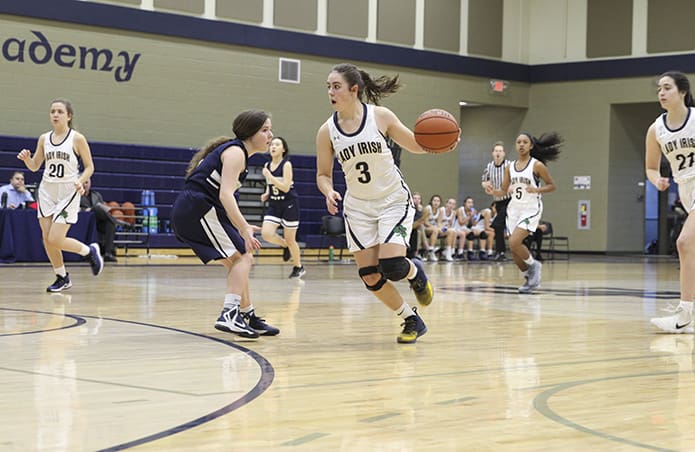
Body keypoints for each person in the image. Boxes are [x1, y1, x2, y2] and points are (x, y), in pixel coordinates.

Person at [316, 62, 458, 344]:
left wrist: (442, 143)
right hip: (358, 208)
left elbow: (416, 144)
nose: (330, 92)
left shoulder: (380, 116)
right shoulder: (326, 131)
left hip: (393, 200)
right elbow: (322, 174)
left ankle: (416, 273)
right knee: (370, 275)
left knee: (393, 266)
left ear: (353, 89)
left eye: (336, 86)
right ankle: (411, 319)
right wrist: (328, 191)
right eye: (328, 87)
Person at [170, 109, 279, 339]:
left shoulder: (238, 154)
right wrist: (244, 228)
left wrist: (243, 225)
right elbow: (225, 196)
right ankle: (229, 314)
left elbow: (224, 201)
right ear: (250, 132)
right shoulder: (235, 153)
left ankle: (246, 314)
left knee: (238, 260)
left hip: (197, 210)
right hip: (197, 209)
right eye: (265, 130)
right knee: (243, 256)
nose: (270, 135)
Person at [16, 98, 104, 292]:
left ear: (69, 116)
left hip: (68, 192)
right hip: (47, 190)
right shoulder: (44, 138)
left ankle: (89, 251)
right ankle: (62, 277)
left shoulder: (77, 138)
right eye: (52, 111)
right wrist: (27, 159)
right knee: (47, 238)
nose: (55, 115)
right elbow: (35, 166)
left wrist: (80, 181)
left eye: (59, 111)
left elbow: (90, 167)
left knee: (56, 238)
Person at [646, 71, 695, 333]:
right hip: (686, 190)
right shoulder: (656, 129)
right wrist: (657, 181)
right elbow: (651, 167)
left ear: (683, 92)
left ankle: (685, 314)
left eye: (667, 88)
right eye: (659, 90)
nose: (661, 93)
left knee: (684, 243)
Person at [485, 131, 561, 293]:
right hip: (514, 209)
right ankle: (528, 277)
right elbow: (503, 191)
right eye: (518, 142)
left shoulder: (536, 165)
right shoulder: (509, 167)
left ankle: (535, 266)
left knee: (514, 242)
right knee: (513, 250)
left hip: (531, 208)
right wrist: (493, 190)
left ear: (531, 146)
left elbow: (552, 186)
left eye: (525, 142)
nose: (521, 144)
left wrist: (536, 189)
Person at [260, 136, 305, 279]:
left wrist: (270, 176)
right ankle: (285, 245)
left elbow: (285, 187)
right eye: (272, 144)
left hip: (289, 203)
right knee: (266, 234)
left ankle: (298, 267)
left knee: (291, 239)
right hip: (274, 204)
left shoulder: (286, 165)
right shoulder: (267, 165)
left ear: (283, 149)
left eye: (277, 144)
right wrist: (267, 193)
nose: (273, 147)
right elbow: (271, 184)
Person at [80, 177, 130, 262]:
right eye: (83, 183)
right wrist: (84, 210)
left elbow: (103, 207)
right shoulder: (76, 195)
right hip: (86, 220)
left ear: (90, 183)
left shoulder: (96, 194)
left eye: (87, 182)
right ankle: (119, 222)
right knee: (96, 209)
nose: (85, 185)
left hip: (98, 220)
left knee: (109, 224)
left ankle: (108, 253)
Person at [481, 141, 512, 261]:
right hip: (497, 201)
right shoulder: (489, 166)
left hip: (509, 200)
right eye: (496, 151)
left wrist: (512, 186)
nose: (498, 153)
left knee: (498, 224)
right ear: (492, 153)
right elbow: (484, 180)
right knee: (500, 229)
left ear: (504, 153)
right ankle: (500, 252)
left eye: (500, 151)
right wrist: (486, 185)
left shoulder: (509, 165)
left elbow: (516, 178)